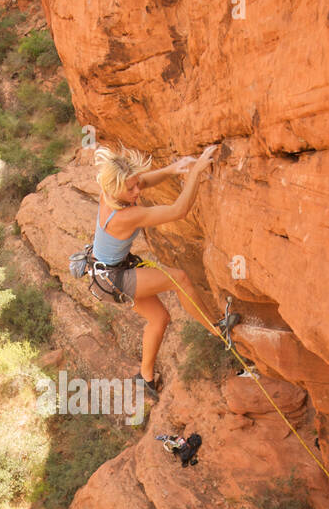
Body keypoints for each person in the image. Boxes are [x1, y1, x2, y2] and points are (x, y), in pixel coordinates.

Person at [89, 142, 244, 400]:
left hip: (104, 274)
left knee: (159, 319)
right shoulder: (125, 216)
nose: (138, 190)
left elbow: (144, 181)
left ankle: (145, 378)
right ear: (117, 188)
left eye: (136, 183)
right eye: (132, 188)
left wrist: (175, 168)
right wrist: (194, 174)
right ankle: (219, 331)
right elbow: (178, 211)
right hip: (114, 278)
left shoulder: (111, 192)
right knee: (179, 279)